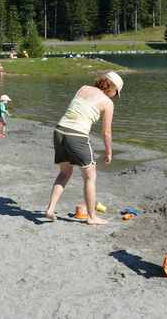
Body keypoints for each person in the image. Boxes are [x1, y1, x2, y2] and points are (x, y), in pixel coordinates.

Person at [45, 71, 123, 225]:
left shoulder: (83, 88)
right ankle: (92, 217)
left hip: (59, 131)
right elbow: (106, 132)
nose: (115, 96)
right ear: (112, 88)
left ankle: (50, 209)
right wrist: (109, 152)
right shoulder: (108, 103)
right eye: (116, 92)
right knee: (90, 177)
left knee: (64, 172)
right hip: (77, 135)